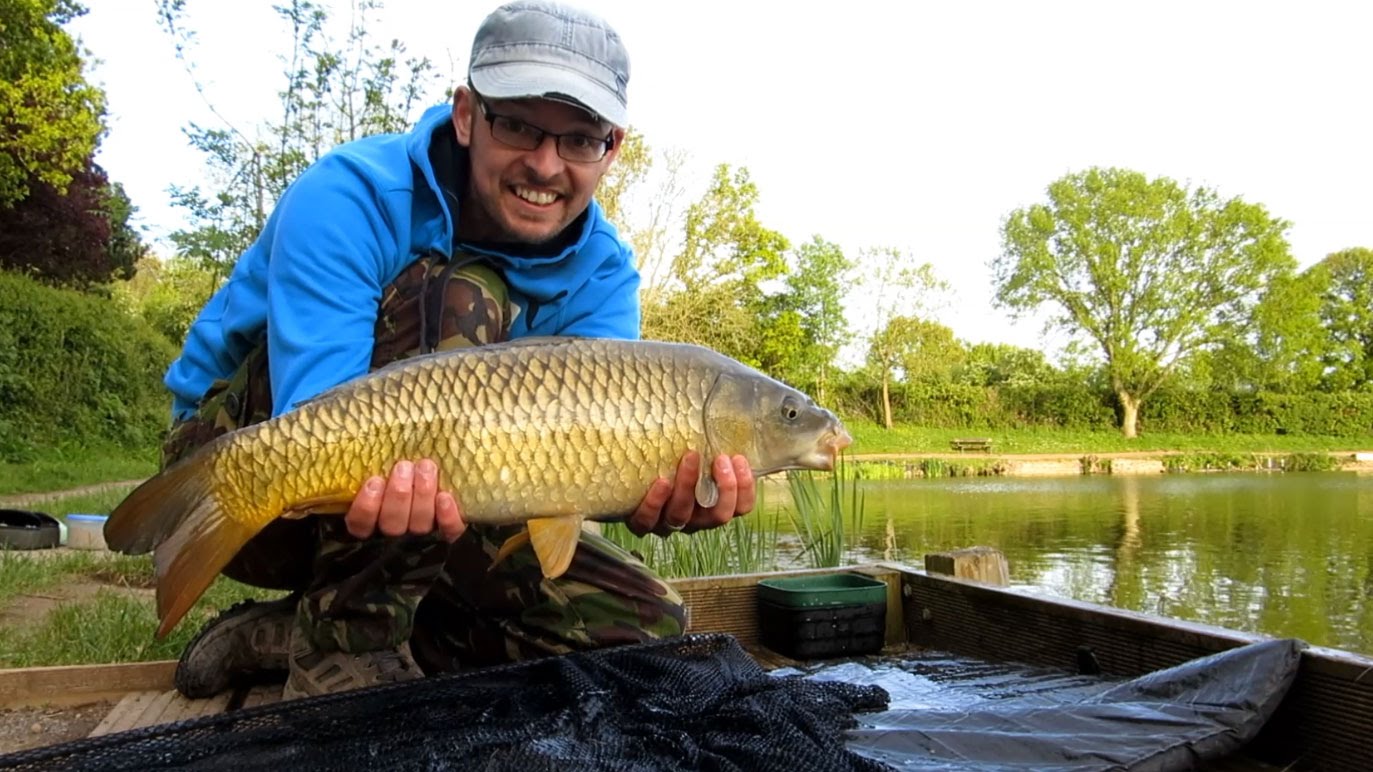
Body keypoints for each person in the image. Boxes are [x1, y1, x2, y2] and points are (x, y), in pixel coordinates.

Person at [165, 0, 755, 700]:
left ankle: (283, 632)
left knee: (640, 631)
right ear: (468, 114)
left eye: (579, 140)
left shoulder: (603, 273)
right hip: (253, 472)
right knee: (459, 302)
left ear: (612, 148)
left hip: (458, 502)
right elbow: (315, 417)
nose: (545, 165)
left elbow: (580, 465)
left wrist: (649, 494)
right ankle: (343, 642)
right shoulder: (352, 193)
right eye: (518, 126)